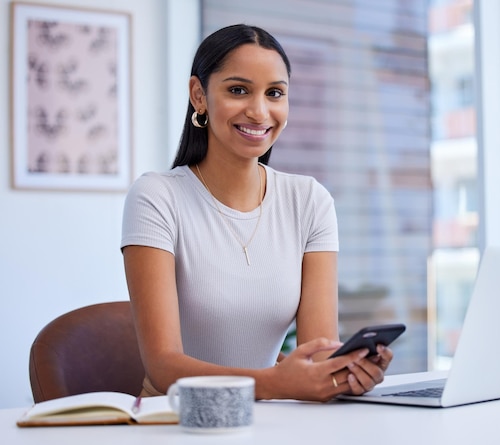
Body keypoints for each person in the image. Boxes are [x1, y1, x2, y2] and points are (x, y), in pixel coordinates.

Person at [121, 24, 394, 402]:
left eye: (275, 93)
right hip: (173, 420)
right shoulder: (156, 197)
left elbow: (316, 351)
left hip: (268, 419)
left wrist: (344, 370)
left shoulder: (310, 201)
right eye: (238, 90)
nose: (259, 110)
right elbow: (164, 367)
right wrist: (274, 382)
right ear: (199, 95)